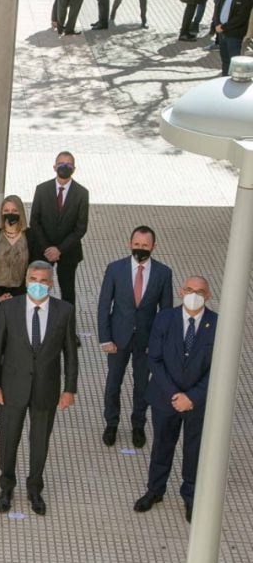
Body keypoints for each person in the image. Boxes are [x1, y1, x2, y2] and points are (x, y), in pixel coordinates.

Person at [0, 261, 78, 516]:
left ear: (51, 283)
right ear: (26, 280)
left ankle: (35, 488)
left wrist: (69, 389)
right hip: (12, 388)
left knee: (40, 442)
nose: (38, 284)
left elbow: (70, 353)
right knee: (8, 440)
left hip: (45, 390)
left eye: (43, 280)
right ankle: (6, 487)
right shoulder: (8, 308)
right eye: (33, 279)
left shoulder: (65, 311)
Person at [134, 276, 216, 524]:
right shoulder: (165, 318)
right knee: (162, 446)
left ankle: (190, 496)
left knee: (194, 450)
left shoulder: (217, 324)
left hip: (197, 403)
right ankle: (155, 490)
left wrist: (192, 397)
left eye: (200, 291)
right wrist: (175, 395)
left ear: (208, 295)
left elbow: (218, 367)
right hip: (165, 399)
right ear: (181, 291)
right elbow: (155, 360)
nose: (194, 294)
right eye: (190, 289)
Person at [97, 226, 173, 449]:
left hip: (146, 341)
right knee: (113, 383)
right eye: (137, 245)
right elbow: (104, 306)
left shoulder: (163, 273)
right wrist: (105, 338)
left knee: (142, 386)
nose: (140, 249)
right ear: (130, 244)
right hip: (118, 339)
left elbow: (166, 312)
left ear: (153, 247)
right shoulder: (115, 269)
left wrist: (158, 344)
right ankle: (111, 424)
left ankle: (138, 425)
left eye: (145, 246)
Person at [30, 151, 89, 316]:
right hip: (42, 250)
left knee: (68, 291)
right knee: (38, 288)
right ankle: (36, 321)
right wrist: (48, 248)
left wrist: (59, 249)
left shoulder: (82, 194)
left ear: (74, 168)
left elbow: (81, 227)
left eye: (68, 164)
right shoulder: (42, 189)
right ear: (54, 167)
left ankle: (69, 331)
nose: (64, 166)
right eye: (61, 163)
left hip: (68, 252)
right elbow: (34, 221)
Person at [0, 195, 43, 331]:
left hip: (21, 293)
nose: (10, 214)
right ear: (1, 212)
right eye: (6, 210)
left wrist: (17, 294)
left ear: (21, 212)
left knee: (17, 331)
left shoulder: (31, 236)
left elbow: (35, 267)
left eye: (14, 210)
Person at [212, 0, 253, 76]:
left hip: (234, 35)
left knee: (234, 62)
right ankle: (224, 78)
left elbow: (240, 18)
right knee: (225, 60)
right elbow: (218, 8)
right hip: (221, 33)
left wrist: (223, 27)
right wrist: (216, 24)